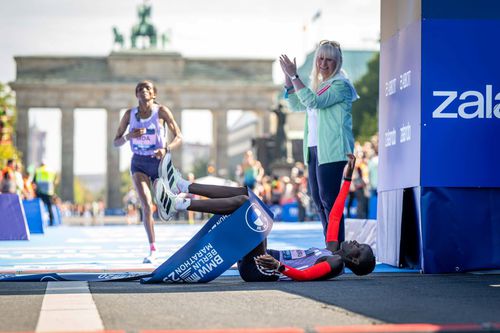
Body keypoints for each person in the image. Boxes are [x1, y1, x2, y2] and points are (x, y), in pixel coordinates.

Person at [154, 154, 375, 282]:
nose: (356, 242)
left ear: (354, 260)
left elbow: (306, 276)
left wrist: (278, 267)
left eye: (360, 247)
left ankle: (177, 204)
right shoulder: (332, 250)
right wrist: (347, 178)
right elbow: (335, 216)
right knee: (246, 195)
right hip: (259, 259)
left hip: (261, 269)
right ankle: (182, 187)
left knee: (249, 206)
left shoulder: (335, 262)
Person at [280, 40, 359, 242]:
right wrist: (289, 80)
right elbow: (297, 104)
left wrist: (295, 76)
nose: (323, 63)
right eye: (320, 58)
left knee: (330, 201)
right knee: (319, 200)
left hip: (332, 149)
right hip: (315, 148)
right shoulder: (320, 86)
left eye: (329, 59)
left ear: (338, 62)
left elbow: (313, 101)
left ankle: (337, 246)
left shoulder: (340, 84)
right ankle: (331, 243)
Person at [113, 80, 182, 264]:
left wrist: (166, 148)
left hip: (158, 162)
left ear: (154, 94)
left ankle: (176, 200)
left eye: (147, 89)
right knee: (146, 204)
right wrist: (129, 136)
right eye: (139, 89)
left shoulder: (162, 112)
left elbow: (179, 136)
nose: (143, 91)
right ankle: (152, 247)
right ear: (136, 95)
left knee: (164, 203)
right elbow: (116, 141)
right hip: (139, 162)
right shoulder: (130, 115)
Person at [33, 161, 57, 225]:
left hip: (40, 191)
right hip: (49, 191)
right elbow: (55, 180)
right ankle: (51, 221)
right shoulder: (51, 170)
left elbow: (34, 181)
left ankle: (39, 221)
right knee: (49, 206)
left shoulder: (38, 170)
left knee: (40, 206)